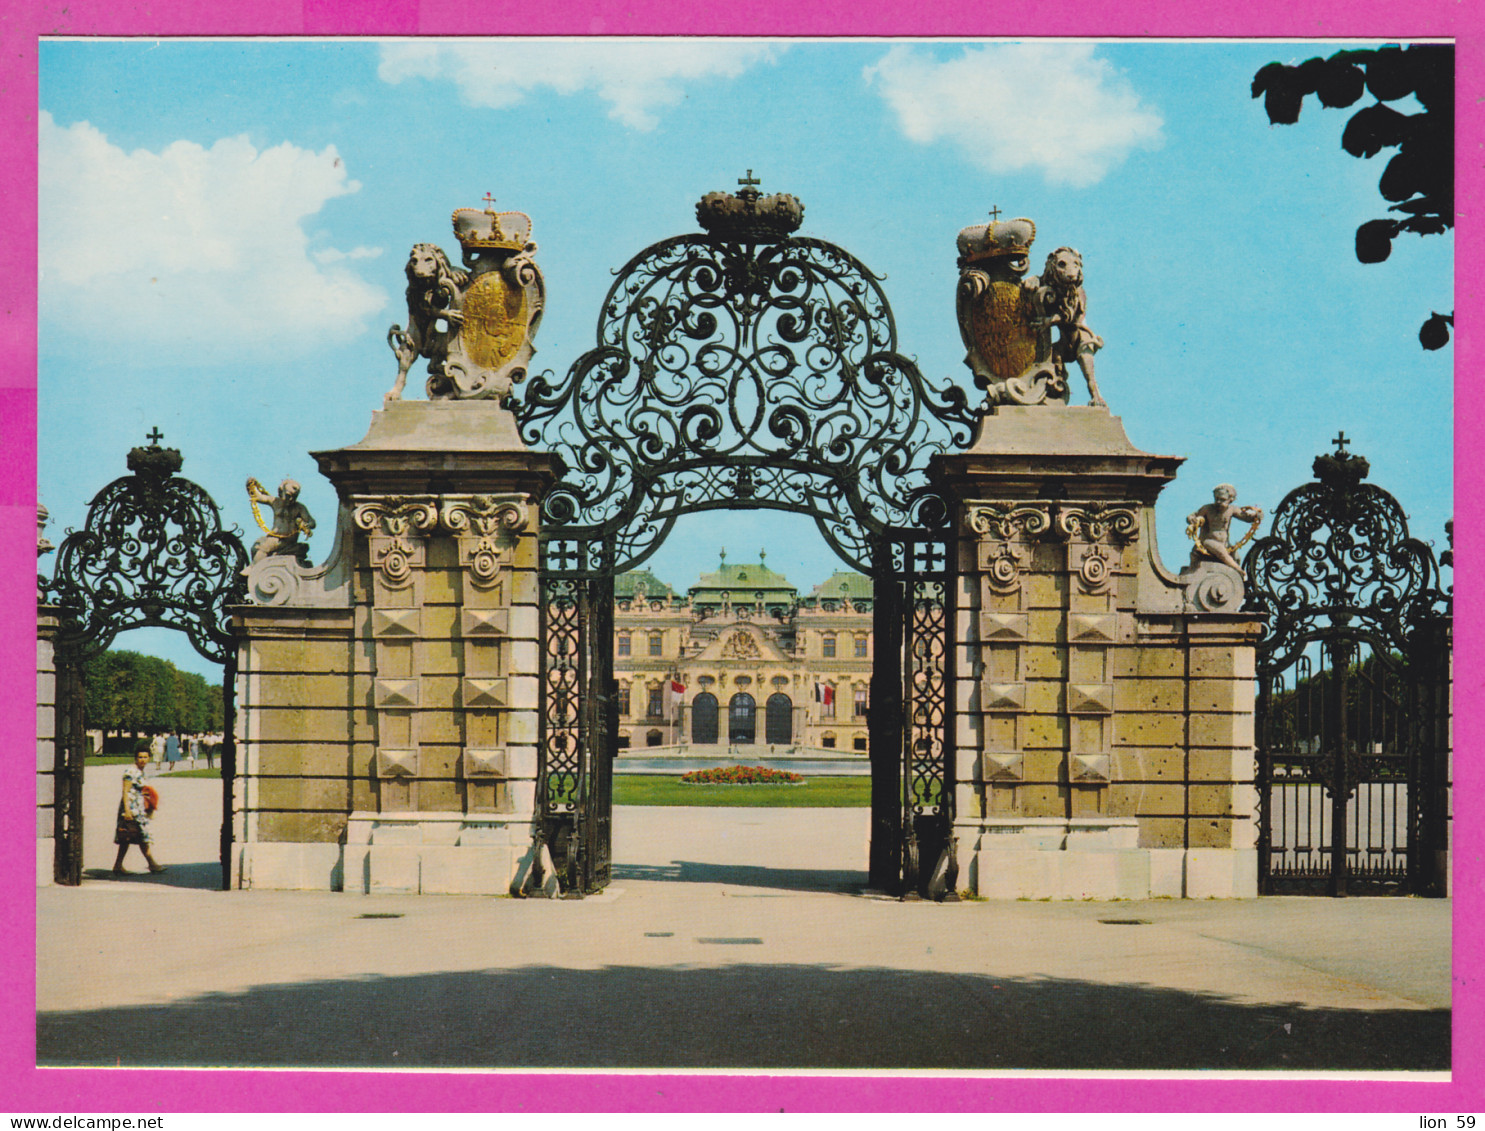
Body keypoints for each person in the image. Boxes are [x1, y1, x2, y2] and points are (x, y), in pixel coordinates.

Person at [1187, 484, 1264, 577]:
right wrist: (1191, 518)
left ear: (1230, 499)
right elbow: (1194, 516)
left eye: (1222, 499)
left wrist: (1257, 515)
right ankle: (1238, 569)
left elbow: (1246, 517)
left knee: (1236, 558)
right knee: (1221, 552)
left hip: (1225, 543)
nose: (1218, 502)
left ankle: (1236, 576)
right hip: (1208, 541)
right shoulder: (1207, 508)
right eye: (1216, 498)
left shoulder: (1232, 509)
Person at [113, 747, 165, 875]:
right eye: (140, 757)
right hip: (130, 809)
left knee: (128, 837)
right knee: (140, 835)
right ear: (136, 758)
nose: (143, 760)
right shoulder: (130, 772)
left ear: (149, 758)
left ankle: (118, 865)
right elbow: (125, 791)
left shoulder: (140, 772)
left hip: (138, 809)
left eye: (145, 757)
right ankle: (152, 864)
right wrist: (127, 810)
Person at [247, 477, 316, 566]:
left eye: (293, 497)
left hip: (286, 539)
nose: (290, 499)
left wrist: (306, 525)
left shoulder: (299, 507)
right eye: (288, 495)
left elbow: (312, 522)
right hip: (273, 537)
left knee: (263, 547)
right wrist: (249, 485)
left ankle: (252, 571)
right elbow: (257, 496)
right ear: (281, 492)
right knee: (254, 548)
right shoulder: (275, 501)